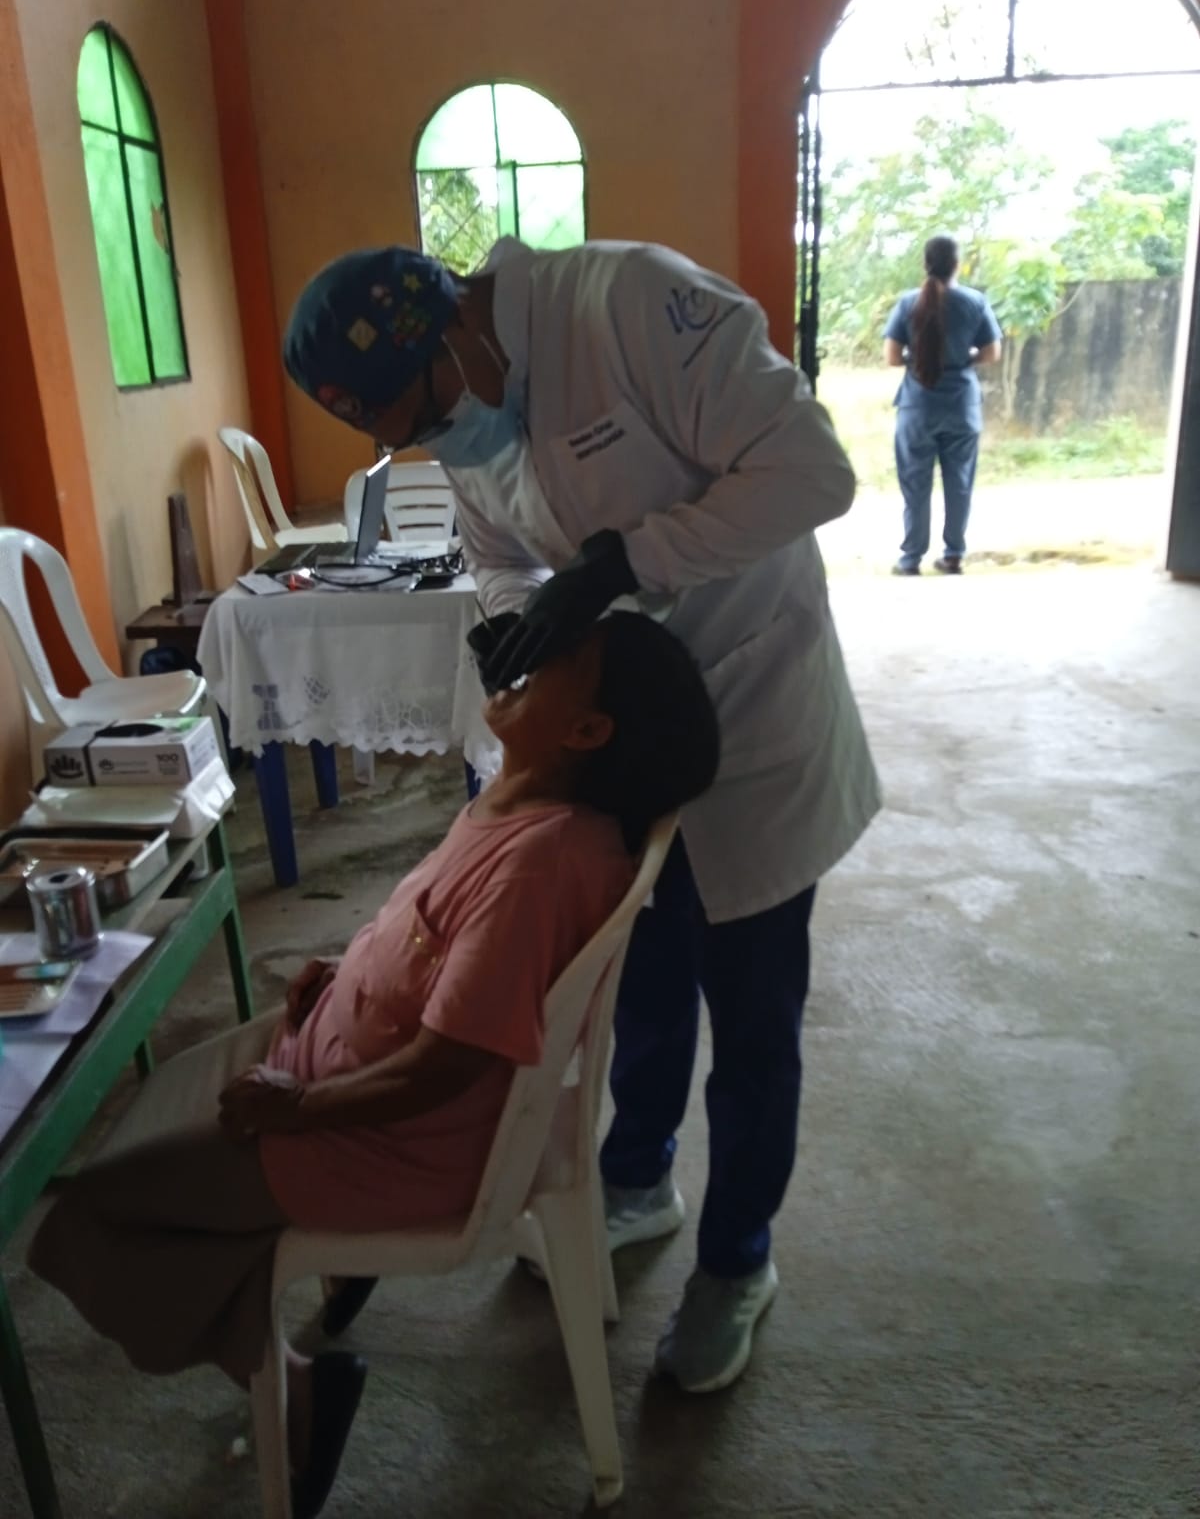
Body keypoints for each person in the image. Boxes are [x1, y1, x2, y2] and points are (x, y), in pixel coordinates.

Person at [283, 236, 881, 1394]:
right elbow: (500, 555)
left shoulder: (631, 306)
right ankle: (637, 1178)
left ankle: (738, 1260)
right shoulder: (465, 412)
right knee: (638, 975)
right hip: (617, 740)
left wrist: (621, 564)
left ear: (456, 322)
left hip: (754, 702)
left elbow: (815, 473)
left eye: (429, 410)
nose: (439, 439)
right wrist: (532, 620)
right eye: (409, 435)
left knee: (753, 1016)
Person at [29, 612, 720, 1519]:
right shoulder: (519, 804)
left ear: (588, 730)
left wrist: (300, 1109)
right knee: (160, 1130)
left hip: (383, 1140)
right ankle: (263, 1266)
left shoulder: (539, 864)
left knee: (83, 1218)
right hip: (338, 1076)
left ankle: (296, 1387)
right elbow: (434, 933)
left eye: (561, 660)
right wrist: (353, 967)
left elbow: (448, 1065)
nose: (526, 658)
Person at [883, 235, 1003, 576]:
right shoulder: (974, 302)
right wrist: (964, 359)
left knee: (915, 486)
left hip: (917, 407)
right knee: (960, 483)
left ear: (925, 264)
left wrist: (918, 359)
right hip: (962, 406)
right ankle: (953, 555)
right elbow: (992, 352)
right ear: (957, 265)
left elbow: (892, 357)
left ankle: (911, 559)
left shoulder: (907, 303)